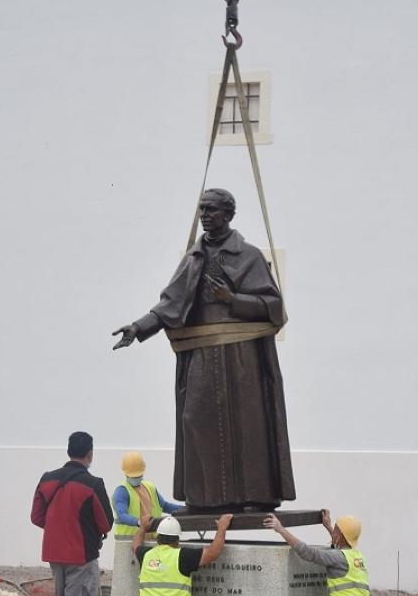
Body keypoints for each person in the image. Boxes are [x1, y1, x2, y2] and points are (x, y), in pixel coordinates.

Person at [112, 188, 295, 513]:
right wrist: (138, 328)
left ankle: (255, 497)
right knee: (195, 418)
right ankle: (206, 498)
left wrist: (233, 300)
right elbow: (170, 304)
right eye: (202, 209)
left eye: (211, 210)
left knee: (248, 424)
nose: (204, 215)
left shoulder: (249, 256)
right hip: (203, 356)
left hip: (242, 357)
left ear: (228, 214)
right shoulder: (194, 257)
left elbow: (274, 307)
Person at [30, 431, 113, 596]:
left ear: (68, 451)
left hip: (54, 553)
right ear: (90, 454)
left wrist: (59, 527)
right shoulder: (93, 485)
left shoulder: (47, 480)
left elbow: (36, 516)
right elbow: (106, 523)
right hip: (81, 554)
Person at [112, 450, 185, 540]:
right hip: (129, 543)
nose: (136, 478)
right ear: (126, 473)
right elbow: (122, 515)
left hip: (151, 540)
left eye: (138, 475)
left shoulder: (149, 487)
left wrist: (184, 509)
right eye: (133, 476)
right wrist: (139, 522)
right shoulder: (122, 491)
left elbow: (165, 506)